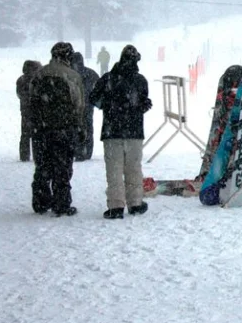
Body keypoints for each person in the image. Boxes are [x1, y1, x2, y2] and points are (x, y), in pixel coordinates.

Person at [90, 45, 153, 219]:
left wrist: (108, 106)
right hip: (134, 132)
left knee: (114, 170)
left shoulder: (108, 78)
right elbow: (143, 103)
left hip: (112, 132)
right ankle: (135, 203)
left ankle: (116, 206)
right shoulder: (140, 80)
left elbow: (93, 98)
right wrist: (138, 107)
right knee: (134, 168)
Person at [28, 42, 85, 216]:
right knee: (63, 167)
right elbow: (78, 105)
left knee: (42, 166)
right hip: (64, 129)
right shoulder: (72, 76)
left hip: (41, 129)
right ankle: (61, 203)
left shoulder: (39, 74)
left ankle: (41, 201)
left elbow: (31, 100)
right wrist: (79, 127)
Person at [71, 52, 99, 161]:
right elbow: (99, 87)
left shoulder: (70, 74)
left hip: (74, 106)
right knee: (88, 127)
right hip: (88, 105)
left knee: (76, 128)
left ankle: (77, 150)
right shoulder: (91, 73)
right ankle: (88, 151)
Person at [15, 60, 42, 162]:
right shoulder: (38, 79)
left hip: (25, 110)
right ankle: (37, 154)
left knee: (25, 133)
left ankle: (24, 155)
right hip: (37, 110)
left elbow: (19, 94)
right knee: (37, 133)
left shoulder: (21, 80)